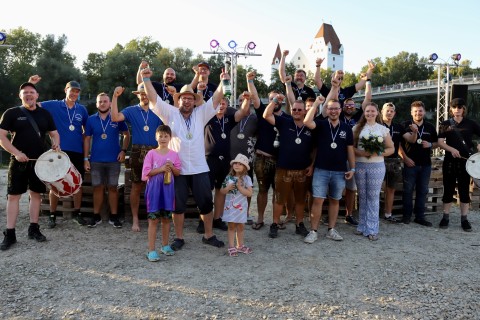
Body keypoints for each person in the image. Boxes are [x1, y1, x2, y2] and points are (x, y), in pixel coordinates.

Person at [143, 66, 228, 250]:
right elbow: (153, 98)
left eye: (190, 98)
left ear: (194, 101)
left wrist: (224, 81)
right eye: (184, 98)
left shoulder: (201, 113)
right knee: (178, 206)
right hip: (177, 169)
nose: (187, 101)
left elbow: (217, 97)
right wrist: (146, 79)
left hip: (199, 168)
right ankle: (180, 238)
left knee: (206, 204)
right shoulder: (170, 113)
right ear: (179, 100)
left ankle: (208, 235)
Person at [0, 82, 60, 250]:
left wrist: (56, 145)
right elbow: (1, 137)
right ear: (20, 96)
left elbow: (54, 134)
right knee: (13, 196)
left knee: (36, 195)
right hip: (18, 162)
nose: (28, 95)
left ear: (37, 95)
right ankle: (10, 233)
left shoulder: (45, 114)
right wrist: (16, 153)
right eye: (25, 92)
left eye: (31, 92)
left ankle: (34, 229)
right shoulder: (11, 113)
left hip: (39, 162)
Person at [29, 76, 89, 227]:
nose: (74, 93)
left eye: (77, 91)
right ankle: (52, 215)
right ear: (65, 90)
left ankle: (77, 213)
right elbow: (32, 105)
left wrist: (86, 154)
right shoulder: (54, 105)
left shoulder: (82, 109)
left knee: (77, 183)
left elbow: (86, 131)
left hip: (77, 151)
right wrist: (31, 85)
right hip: (58, 151)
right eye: (72, 90)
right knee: (54, 183)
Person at [111, 82, 163, 232]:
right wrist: (115, 96)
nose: (144, 95)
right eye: (142, 93)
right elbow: (114, 117)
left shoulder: (158, 110)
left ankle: (152, 217)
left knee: (156, 185)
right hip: (137, 151)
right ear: (138, 94)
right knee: (136, 186)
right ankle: (135, 219)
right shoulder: (131, 110)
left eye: (147, 92)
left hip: (155, 151)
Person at [303, 97, 355, 243]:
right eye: (330, 108)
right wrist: (316, 104)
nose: (333, 111)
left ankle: (331, 229)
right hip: (321, 169)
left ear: (340, 110)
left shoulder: (346, 128)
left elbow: (350, 150)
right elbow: (307, 122)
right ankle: (313, 231)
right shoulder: (320, 125)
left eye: (336, 108)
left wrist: (353, 168)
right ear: (326, 110)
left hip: (339, 171)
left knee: (335, 200)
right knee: (318, 200)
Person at [263, 93, 314, 239]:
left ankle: (299, 224)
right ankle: (274, 224)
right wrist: (274, 101)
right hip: (283, 168)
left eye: (299, 110)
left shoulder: (310, 126)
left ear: (305, 111)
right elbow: (266, 115)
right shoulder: (284, 121)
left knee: (300, 200)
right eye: (294, 109)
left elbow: (315, 149)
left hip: (303, 170)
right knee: (280, 199)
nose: (296, 112)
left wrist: (312, 165)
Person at [202, 94, 250, 233]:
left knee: (221, 190)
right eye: (218, 103)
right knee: (206, 191)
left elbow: (242, 112)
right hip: (209, 158)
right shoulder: (207, 117)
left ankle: (217, 219)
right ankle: (203, 220)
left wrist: (247, 99)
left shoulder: (229, 118)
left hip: (225, 159)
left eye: (223, 103)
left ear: (227, 106)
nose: (221, 106)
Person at [83, 92, 130, 228]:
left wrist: (123, 150)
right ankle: (96, 216)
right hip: (96, 160)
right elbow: (86, 139)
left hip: (113, 160)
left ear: (110, 103)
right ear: (97, 104)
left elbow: (127, 134)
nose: (102, 103)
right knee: (97, 188)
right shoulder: (91, 119)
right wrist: (86, 158)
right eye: (100, 101)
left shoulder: (117, 118)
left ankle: (114, 217)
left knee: (113, 188)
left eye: (105, 101)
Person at [251, 90, 292, 231]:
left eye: (278, 99)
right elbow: (255, 97)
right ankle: (260, 218)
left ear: (282, 101)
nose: (275, 101)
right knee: (262, 190)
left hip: (280, 161)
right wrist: (249, 81)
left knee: (277, 192)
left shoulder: (287, 118)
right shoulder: (263, 112)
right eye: (271, 99)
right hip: (262, 158)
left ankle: (276, 219)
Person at [437, 98, 480, 232]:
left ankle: (464, 219)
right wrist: (451, 149)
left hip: (465, 162)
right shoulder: (445, 123)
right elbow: (440, 142)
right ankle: (445, 217)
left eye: (459, 107)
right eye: (454, 107)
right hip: (450, 161)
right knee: (448, 190)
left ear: (463, 109)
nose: (457, 109)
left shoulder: (470, 123)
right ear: (451, 109)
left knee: (464, 191)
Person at [352, 103, 394, 240]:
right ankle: (362, 225)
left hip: (376, 166)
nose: (370, 113)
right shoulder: (356, 128)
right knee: (362, 196)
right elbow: (350, 147)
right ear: (364, 113)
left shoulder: (382, 129)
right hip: (360, 165)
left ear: (377, 113)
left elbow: (391, 148)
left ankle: (372, 228)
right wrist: (360, 152)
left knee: (373, 197)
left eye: (372, 111)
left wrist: (377, 152)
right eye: (367, 111)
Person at [141, 125, 181, 261]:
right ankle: (151, 250)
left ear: (170, 138)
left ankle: (165, 245)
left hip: (168, 191)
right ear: (156, 137)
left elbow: (178, 172)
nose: (163, 138)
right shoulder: (151, 154)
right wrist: (161, 169)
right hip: (154, 191)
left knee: (166, 219)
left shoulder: (174, 155)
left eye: (166, 136)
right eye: (160, 136)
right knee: (153, 219)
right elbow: (146, 173)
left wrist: (172, 168)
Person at [401, 101, 438, 226]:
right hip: (410, 164)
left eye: (420, 110)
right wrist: (405, 158)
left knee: (423, 191)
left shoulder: (430, 127)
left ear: (424, 112)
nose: (418, 113)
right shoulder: (406, 125)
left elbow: (437, 143)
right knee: (408, 191)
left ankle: (420, 216)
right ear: (411, 112)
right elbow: (402, 144)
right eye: (415, 111)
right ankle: (406, 216)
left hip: (425, 165)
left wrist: (431, 145)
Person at [230, 72, 259, 224]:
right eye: (241, 100)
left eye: (246, 100)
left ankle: (246, 213)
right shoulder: (232, 115)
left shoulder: (255, 119)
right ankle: (229, 211)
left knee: (247, 186)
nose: (244, 102)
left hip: (248, 159)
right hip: (231, 159)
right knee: (230, 185)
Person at [220, 153, 254, 257]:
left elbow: (250, 193)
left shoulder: (247, 179)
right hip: (231, 208)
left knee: (241, 226)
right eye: (235, 163)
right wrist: (227, 188)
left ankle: (240, 245)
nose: (237, 165)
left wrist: (239, 187)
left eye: (240, 164)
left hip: (241, 208)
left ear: (245, 167)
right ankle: (231, 246)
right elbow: (222, 191)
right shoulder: (228, 178)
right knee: (231, 226)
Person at [381, 102, 406, 223]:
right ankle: (373, 213)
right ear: (382, 111)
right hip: (379, 159)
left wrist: (415, 132)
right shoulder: (377, 125)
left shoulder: (398, 127)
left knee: (391, 188)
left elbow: (403, 143)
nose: (389, 112)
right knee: (375, 189)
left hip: (394, 161)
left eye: (391, 111)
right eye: (387, 110)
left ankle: (388, 214)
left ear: (394, 113)